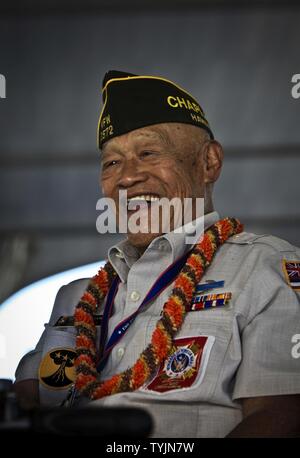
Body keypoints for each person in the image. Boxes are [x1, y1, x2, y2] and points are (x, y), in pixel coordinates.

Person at [14, 70, 300, 437]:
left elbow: (282, 418)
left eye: (148, 153)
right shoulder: (77, 297)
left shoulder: (264, 267)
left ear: (209, 162)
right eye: (111, 162)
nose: (127, 177)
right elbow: (29, 403)